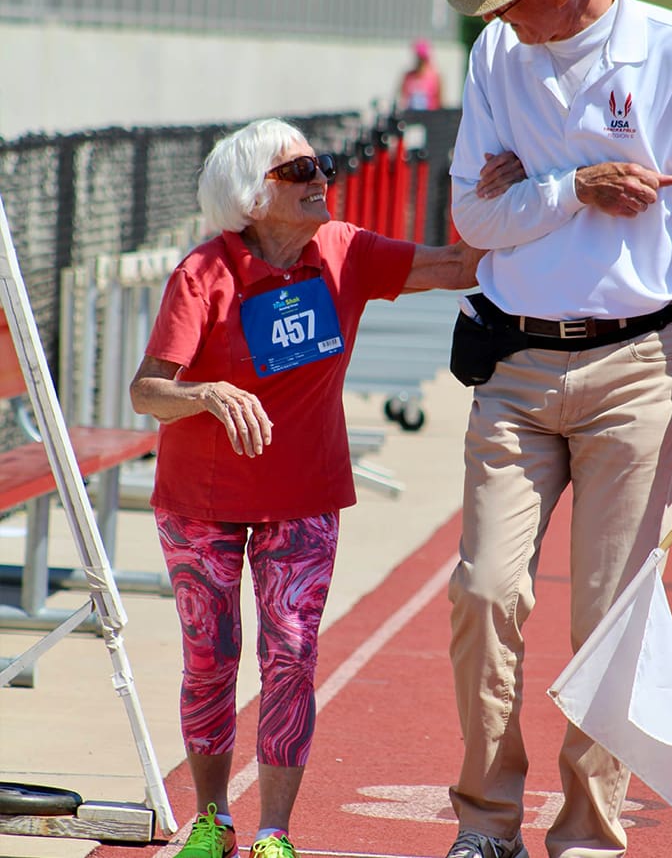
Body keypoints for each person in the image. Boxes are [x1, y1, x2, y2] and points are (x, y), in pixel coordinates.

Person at [437, 0, 672, 857]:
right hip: (511, 360)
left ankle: (588, 826)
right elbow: (474, 219)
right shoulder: (498, 55)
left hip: (637, 368)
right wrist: (574, 187)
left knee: (609, 609)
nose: (495, 15)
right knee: (484, 589)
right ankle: (486, 820)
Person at [129, 117, 482, 858]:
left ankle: (273, 831)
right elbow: (147, 392)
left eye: (318, 165)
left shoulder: (344, 251)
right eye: (298, 171)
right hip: (202, 500)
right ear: (252, 196)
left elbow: (458, 266)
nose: (321, 177)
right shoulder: (205, 272)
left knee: (291, 651)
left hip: (304, 495)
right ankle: (212, 818)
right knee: (211, 653)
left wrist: (506, 196)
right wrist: (205, 393)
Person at [398, 38, 443, 111]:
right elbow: (402, 98)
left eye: (422, 58)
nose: (420, 61)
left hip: (430, 116)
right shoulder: (408, 76)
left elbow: (440, 102)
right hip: (411, 116)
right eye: (418, 57)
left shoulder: (435, 77)